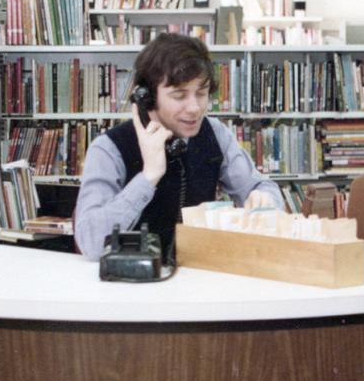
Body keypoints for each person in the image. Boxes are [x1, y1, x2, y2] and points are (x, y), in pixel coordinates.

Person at [74, 33, 283, 260]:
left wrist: (263, 197)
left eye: (201, 94)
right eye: (179, 95)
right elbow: (90, 243)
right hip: (133, 284)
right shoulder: (108, 149)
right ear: (148, 98)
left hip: (198, 277)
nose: (194, 108)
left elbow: (264, 188)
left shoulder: (216, 133)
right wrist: (148, 177)